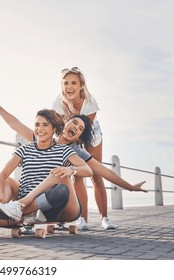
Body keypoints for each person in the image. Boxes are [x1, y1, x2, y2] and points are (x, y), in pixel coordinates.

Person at [0, 90, 146, 230]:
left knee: (60, 176)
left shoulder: (73, 151)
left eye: (79, 129)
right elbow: (15, 124)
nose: (75, 128)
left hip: (58, 199)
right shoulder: (40, 137)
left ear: (79, 136)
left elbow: (102, 171)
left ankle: (18, 210)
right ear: (65, 123)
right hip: (32, 196)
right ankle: (6, 212)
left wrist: (130, 187)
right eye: (74, 123)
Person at [0, 108, 93, 230]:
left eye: (45, 125)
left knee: (59, 180)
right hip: (36, 209)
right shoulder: (24, 149)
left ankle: (18, 209)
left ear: (54, 129)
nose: (40, 129)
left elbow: (88, 170)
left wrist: (71, 170)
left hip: (56, 203)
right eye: (37, 124)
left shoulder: (64, 150)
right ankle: (8, 211)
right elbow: (2, 174)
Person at [52, 67, 113, 229]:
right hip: (71, 136)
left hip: (90, 134)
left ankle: (104, 218)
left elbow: (84, 130)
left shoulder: (89, 101)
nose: (69, 87)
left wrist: (71, 112)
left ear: (81, 85)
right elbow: (59, 129)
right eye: (66, 83)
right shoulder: (58, 103)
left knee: (96, 175)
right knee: (77, 176)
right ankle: (82, 219)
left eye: (73, 83)